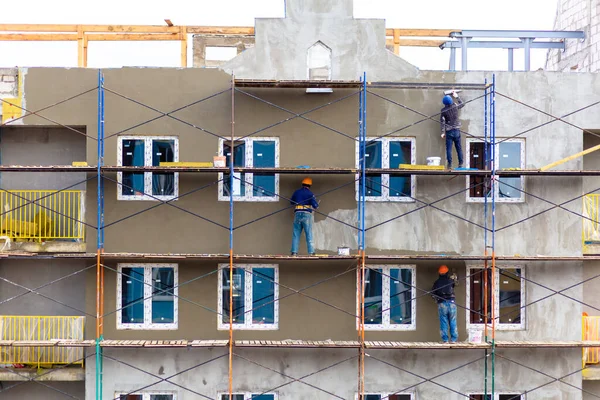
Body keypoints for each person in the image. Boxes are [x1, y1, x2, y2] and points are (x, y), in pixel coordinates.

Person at [290, 177, 319, 256]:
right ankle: (311, 252)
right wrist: (317, 205)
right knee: (308, 233)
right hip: (306, 215)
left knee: (296, 234)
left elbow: (291, 202)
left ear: (302, 184)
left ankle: (294, 252)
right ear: (310, 185)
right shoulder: (310, 194)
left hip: (297, 214)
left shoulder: (296, 192)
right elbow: (315, 205)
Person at [431, 265, 458, 343]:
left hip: (442, 303)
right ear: (447, 273)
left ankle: (445, 340)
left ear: (439, 273)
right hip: (451, 303)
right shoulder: (450, 281)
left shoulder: (437, 282)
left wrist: (436, 299)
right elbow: (456, 283)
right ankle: (453, 340)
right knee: (453, 321)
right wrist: (454, 276)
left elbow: (433, 293)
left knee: (444, 321)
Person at [440, 91, 465, 169]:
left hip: (449, 131)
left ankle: (450, 164)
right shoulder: (455, 106)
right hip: (457, 130)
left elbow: (442, 122)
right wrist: (456, 96)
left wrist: (442, 132)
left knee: (449, 148)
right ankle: (460, 163)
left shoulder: (443, 111)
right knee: (458, 147)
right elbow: (462, 104)